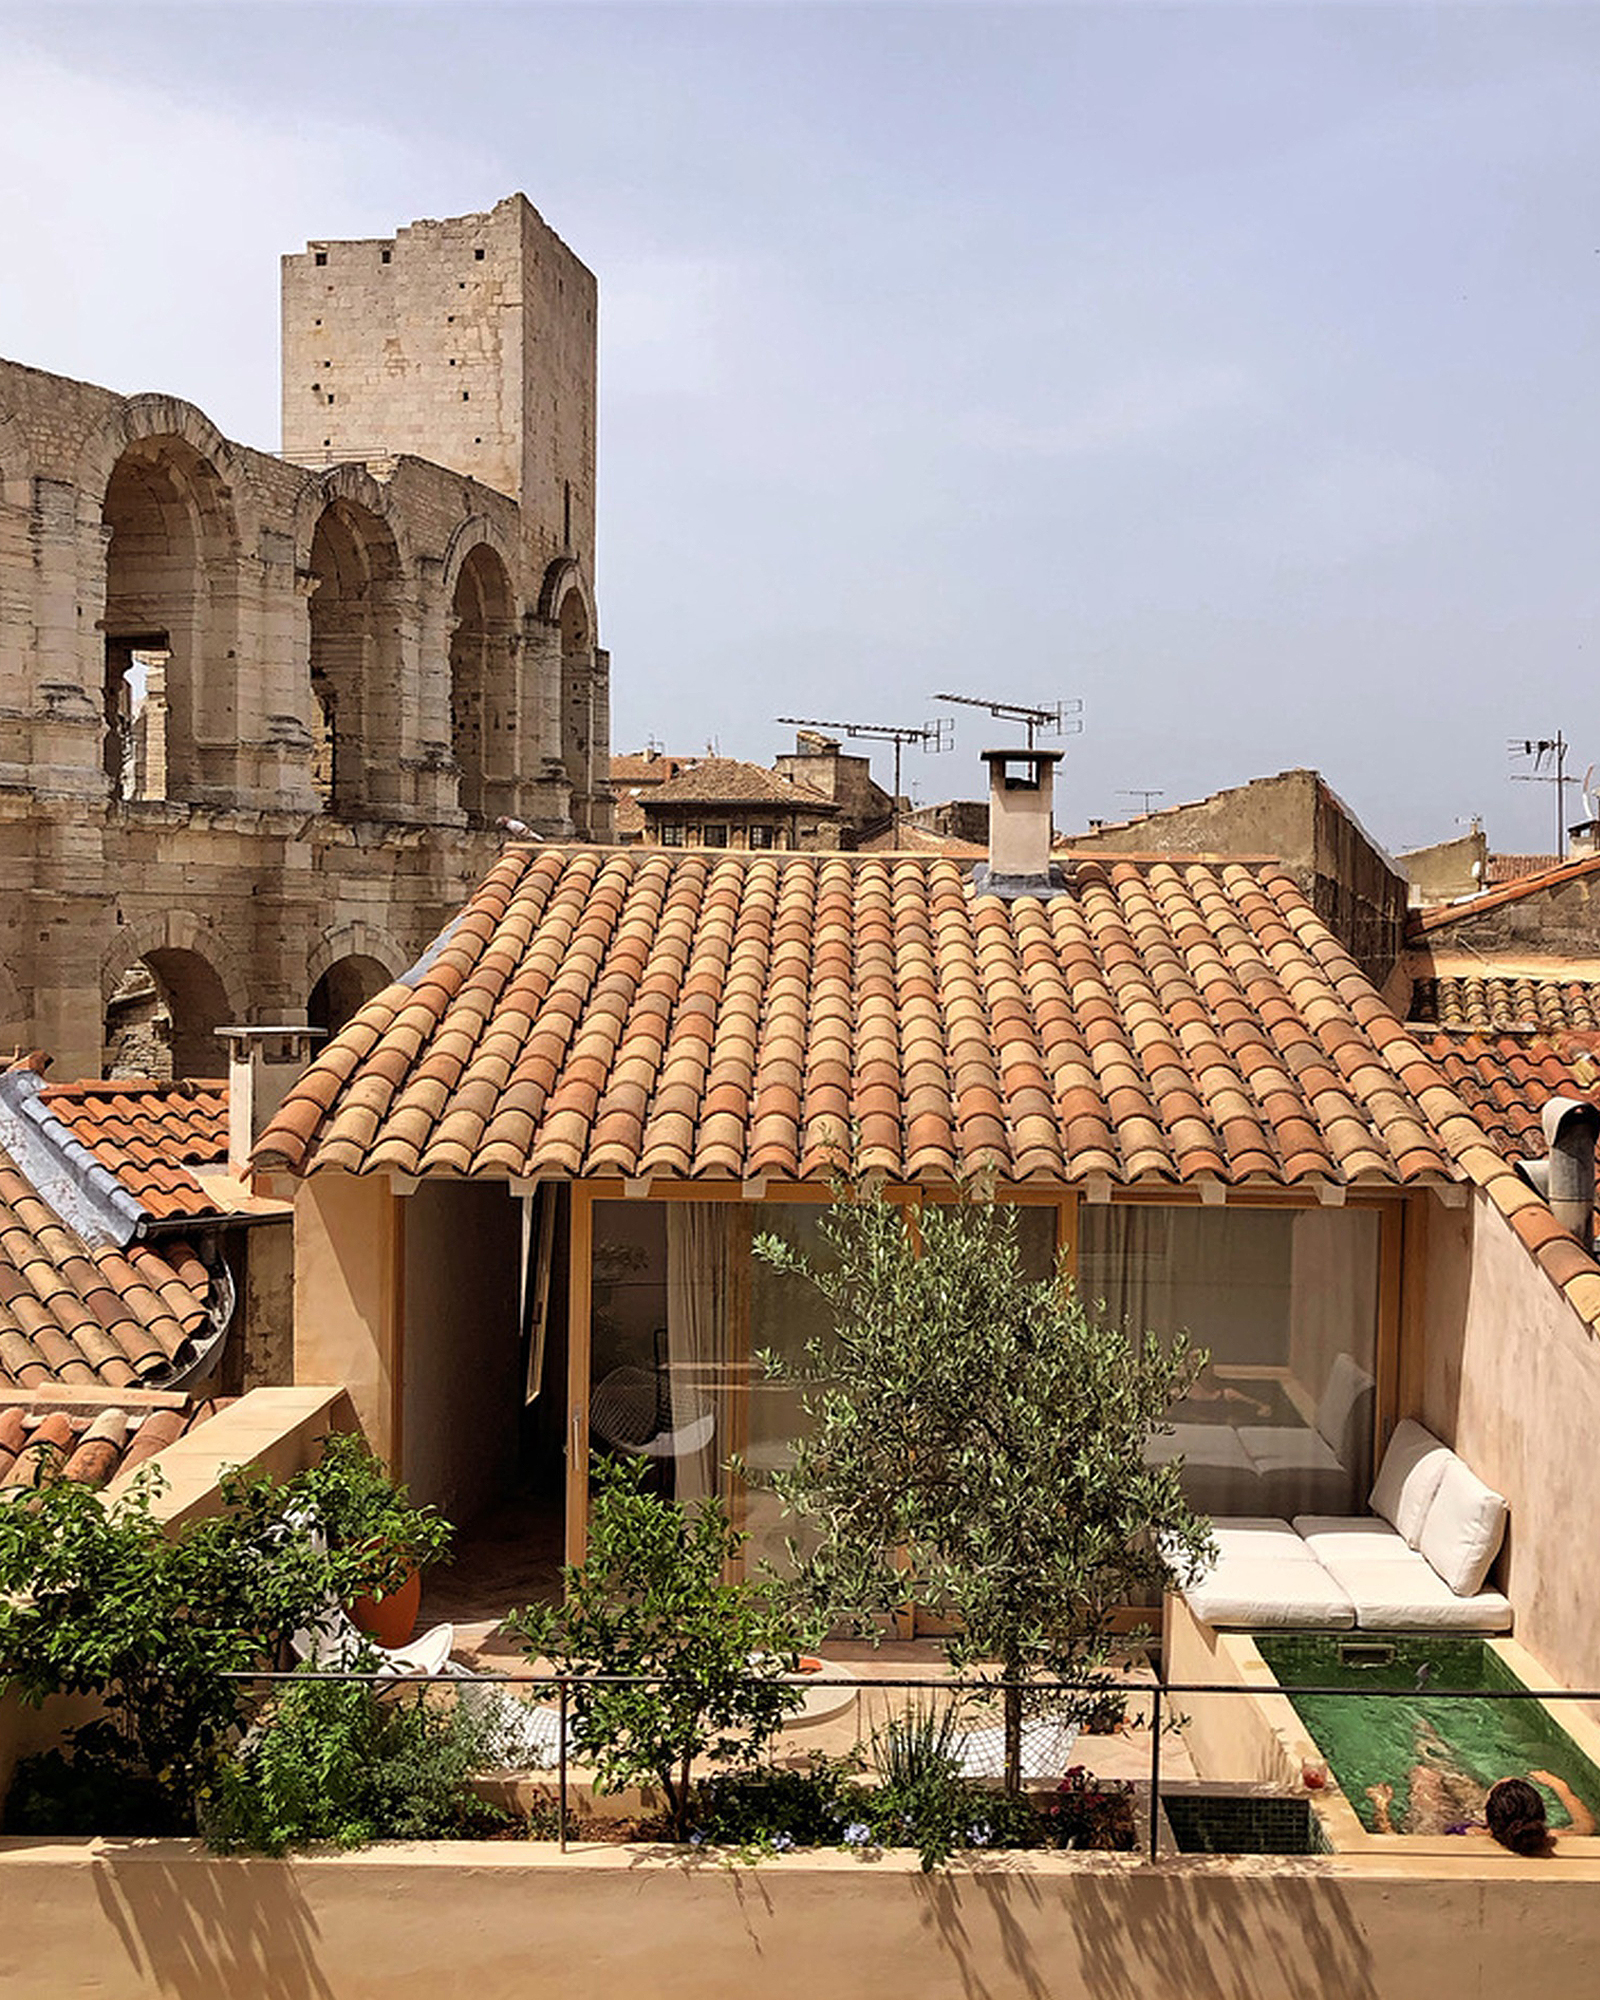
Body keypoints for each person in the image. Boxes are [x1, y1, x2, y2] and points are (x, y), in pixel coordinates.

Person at [1366, 1721, 1594, 1851]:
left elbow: (1397, 1844)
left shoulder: (1462, 1843)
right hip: (1483, 1822)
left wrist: (1381, 1807)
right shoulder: (1548, 1836)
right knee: (1453, 1777)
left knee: (1424, 1776)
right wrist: (1560, 1786)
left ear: (1489, 1812)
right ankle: (1433, 1745)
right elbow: (1586, 1826)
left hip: (1448, 1824)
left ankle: (1427, 1744)